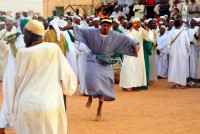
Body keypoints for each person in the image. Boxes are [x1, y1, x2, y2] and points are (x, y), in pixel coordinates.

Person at [63, 17, 139, 121]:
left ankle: (99, 109)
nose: (106, 27)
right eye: (104, 25)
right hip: (93, 58)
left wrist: (134, 45)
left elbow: (126, 39)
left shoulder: (114, 35)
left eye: (108, 26)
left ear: (110, 27)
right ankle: (90, 96)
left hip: (105, 61)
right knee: (90, 77)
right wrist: (71, 26)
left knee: (104, 84)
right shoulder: (93, 32)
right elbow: (81, 31)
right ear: (101, 25)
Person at [12, 20, 77, 134]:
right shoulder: (53, 48)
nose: (23, 38)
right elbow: (68, 78)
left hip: (27, 106)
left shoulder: (22, 53)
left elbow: (17, 82)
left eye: (25, 34)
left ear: (31, 34)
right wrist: (66, 91)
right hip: (51, 105)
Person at [0, 19, 29, 134]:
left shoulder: (16, 37)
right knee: (10, 102)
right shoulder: (21, 40)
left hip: (14, 75)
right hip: (16, 76)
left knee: (10, 102)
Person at [120, 18, 150, 90]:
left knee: (137, 68)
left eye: (140, 22)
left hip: (139, 53)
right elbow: (127, 38)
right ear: (134, 23)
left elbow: (148, 38)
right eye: (138, 22)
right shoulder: (129, 31)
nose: (140, 24)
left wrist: (147, 31)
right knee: (129, 68)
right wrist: (132, 27)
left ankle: (134, 85)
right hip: (131, 52)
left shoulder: (141, 30)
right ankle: (125, 85)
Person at [166, 19, 191, 88]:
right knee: (182, 66)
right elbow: (187, 44)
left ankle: (173, 83)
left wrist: (168, 52)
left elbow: (168, 44)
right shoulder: (184, 33)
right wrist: (188, 52)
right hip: (182, 51)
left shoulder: (170, 32)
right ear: (180, 25)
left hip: (173, 51)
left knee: (173, 66)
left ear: (174, 25)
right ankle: (182, 83)